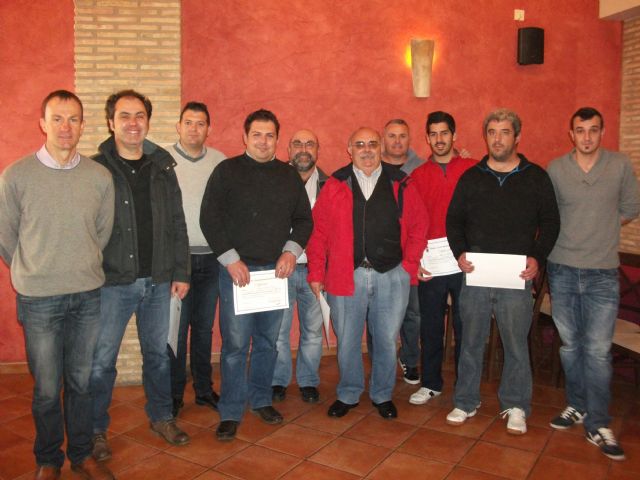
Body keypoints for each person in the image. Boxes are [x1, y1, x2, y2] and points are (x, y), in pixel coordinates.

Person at [0, 90, 115, 480]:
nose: (66, 127)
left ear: (83, 125)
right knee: (48, 387)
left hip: (87, 294)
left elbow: (102, 232)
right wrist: (34, 268)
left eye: (73, 119)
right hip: (39, 298)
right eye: (57, 118)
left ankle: (81, 454)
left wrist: (78, 262)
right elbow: (6, 236)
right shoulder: (16, 176)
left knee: (81, 382)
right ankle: (49, 459)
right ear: (42, 124)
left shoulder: (99, 177)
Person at [90, 90, 191, 462]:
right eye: (124, 116)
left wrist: (181, 271)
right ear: (111, 122)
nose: (133, 123)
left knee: (158, 356)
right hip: (112, 284)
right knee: (102, 361)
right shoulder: (96, 168)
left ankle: (162, 417)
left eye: (140, 116)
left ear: (148, 122)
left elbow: (177, 222)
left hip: (159, 281)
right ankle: (95, 430)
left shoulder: (162, 167)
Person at [200, 109, 313, 441]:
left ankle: (261, 399)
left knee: (268, 342)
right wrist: (230, 260)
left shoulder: (288, 176)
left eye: (269, 135)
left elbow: (304, 220)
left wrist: (290, 252)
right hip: (238, 273)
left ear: (277, 139)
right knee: (235, 345)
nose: (263, 141)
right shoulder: (226, 171)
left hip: (275, 275)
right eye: (257, 135)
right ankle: (231, 410)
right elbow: (210, 218)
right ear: (245, 137)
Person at [445, 108, 560, 435]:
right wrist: (460, 252)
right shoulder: (471, 177)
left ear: (517, 137)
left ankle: (516, 405)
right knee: (470, 342)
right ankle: (466, 401)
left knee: (515, 344)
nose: (497, 139)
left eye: (505, 132)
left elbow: (551, 223)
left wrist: (537, 257)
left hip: (516, 277)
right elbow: (454, 221)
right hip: (476, 274)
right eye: (492, 132)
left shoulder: (536, 177)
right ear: (486, 137)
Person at [306, 127, 427, 420]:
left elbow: (419, 225)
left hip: (391, 274)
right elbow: (318, 232)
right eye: (359, 144)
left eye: (373, 143)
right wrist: (316, 272)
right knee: (347, 339)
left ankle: (382, 394)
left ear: (380, 147)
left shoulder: (401, 182)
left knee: (386, 339)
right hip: (346, 275)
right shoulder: (335, 184)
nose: (367, 149)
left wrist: (408, 266)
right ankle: (348, 393)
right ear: (350, 150)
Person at [546, 107, 639, 460]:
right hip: (562, 269)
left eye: (593, 130)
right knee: (571, 347)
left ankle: (599, 423)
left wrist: (602, 227)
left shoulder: (619, 165)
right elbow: (549, 214)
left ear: (602, 132)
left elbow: (631, 206)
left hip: (602, 272)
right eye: (580, 130)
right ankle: (577, 405)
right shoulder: (557, 169)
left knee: (598, 351)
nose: (587, 136)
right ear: (571, 134)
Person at [409, 111, 476, 405]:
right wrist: (415, 260)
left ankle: (466, 387)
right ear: (427, 138)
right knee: (431, 326)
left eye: (444, 133)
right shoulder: (418, 175)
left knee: (465, 326)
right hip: (432, 262)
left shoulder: (473, 169)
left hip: (466, 262)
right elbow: (412, 222)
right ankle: (431, 383)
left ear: (454, 135)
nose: (439, 139)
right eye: (433, 134)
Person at [167, 102, 226, 418]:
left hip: (212, 260)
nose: (194, 129)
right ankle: (174, 394)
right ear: (178, 126)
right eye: (188, 122)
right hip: (178, 262)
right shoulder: (162, 160)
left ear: (209, 129)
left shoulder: (219, 162)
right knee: (175, 332)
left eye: (200, 123)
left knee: (203, 329)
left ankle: (203, 390)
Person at [271, 129, 328, 404]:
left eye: (310, 144)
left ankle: (308, 381)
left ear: (317, 150)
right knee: (278, 332)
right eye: (297, 144)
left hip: (315, 271)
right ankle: (278, 380)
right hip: (280, 269)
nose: (303, 149)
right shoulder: (273, 179)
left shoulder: (330, 185)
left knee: (313, 332)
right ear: (288, 150)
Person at [380, 119, 425, 384]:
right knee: (377, 314)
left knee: (412, 313)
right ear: (383, 139)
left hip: (411, 255)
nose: (397, 141)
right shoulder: (371, 167)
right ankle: (380, 362)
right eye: (392, 136)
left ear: (410, 139)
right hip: (379, 256)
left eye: (402, 136)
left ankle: (409, 359)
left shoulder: (422, 169)